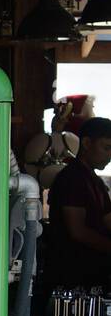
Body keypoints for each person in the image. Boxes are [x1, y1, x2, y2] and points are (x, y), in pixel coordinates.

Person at [46, 115, 111, 290]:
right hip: (72, 275)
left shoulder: (95, 181)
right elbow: (77, 231)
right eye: (106, 147)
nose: (110, 155)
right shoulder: (72, 178)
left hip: (95, 272)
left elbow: (107, 219)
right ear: (87, 143)